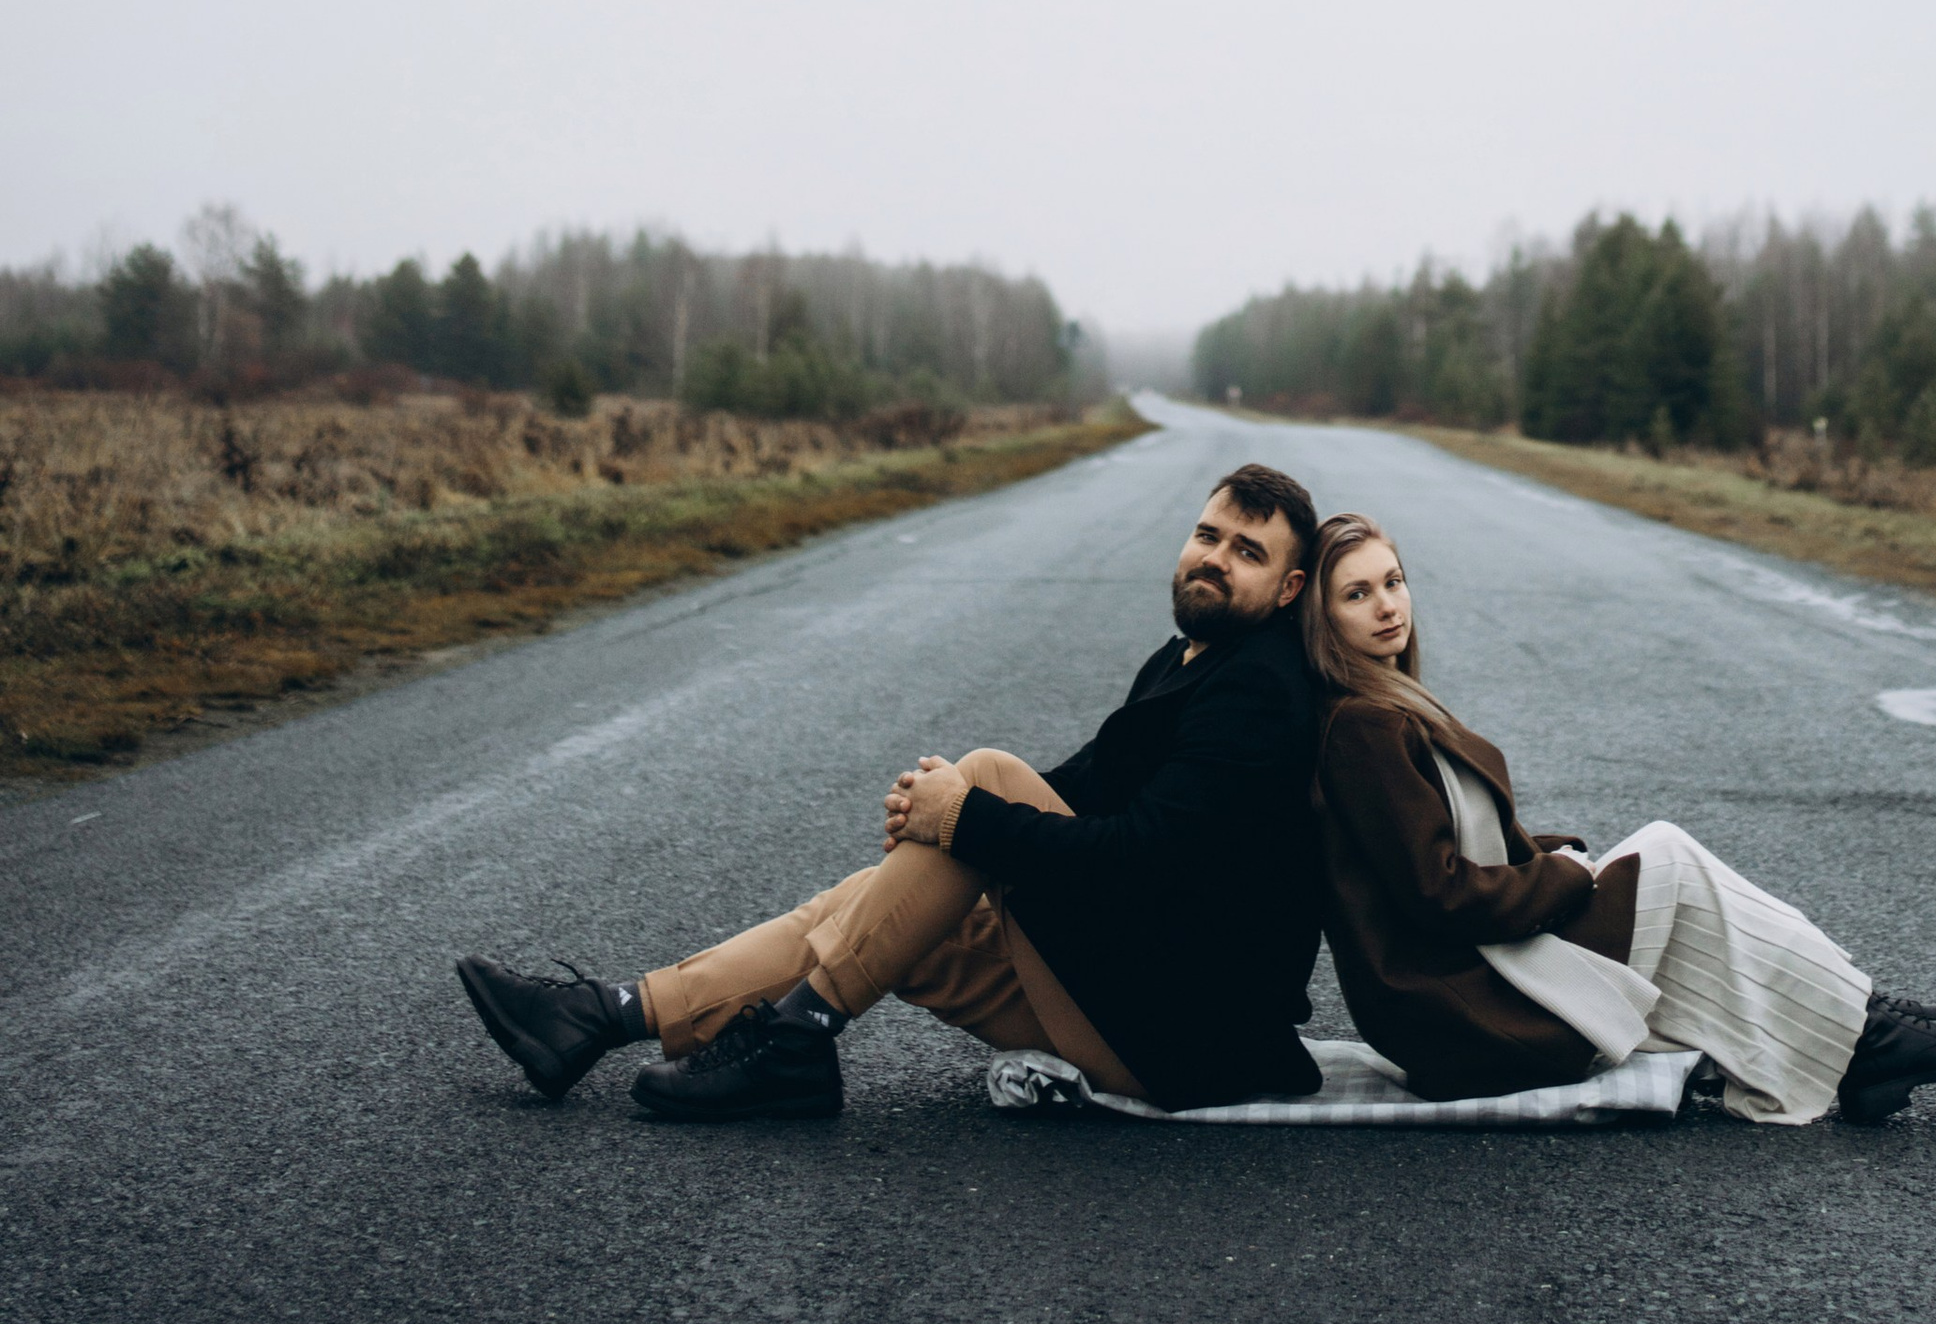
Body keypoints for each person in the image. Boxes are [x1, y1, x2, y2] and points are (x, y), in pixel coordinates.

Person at [455, 462, 1328, 1123]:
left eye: (1247, 552)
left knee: (984, 777)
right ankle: (602, 1016)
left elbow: (1144, 858)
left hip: (1183, 1037)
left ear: (1288, 588)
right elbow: (1079, 789)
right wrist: (940, 820)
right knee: (881, 911)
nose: (1215, 558)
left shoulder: (1260, 690)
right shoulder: (1193, 659)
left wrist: (971, 812)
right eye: (1209, 535)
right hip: (1132, 993)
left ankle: (798, 1042)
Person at [1303, 511, 1936, 1126]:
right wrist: (1563, 874)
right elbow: (1442, 893)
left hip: (1473, 989)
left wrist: (1564, 854)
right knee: (1669, 859)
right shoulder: (1362, 726)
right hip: (1464, 1017)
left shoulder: (1386, 705)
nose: (1387, 606)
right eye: (1357, 595)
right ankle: (1873, 1034)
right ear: (1325, 620)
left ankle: (1868, 1033)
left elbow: (1457, 849)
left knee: (1660, 871)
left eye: (1392, 582)